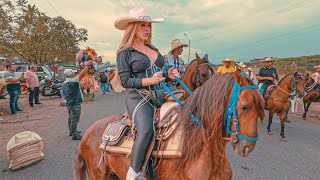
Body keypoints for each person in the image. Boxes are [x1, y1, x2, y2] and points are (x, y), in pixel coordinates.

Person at [114, 7, 179, 179]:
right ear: (132, 28)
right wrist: (148, 81)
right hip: (138, 97)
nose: (146, 29)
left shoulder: (153, 48)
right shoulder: (125, 52)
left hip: (161, 94)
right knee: (145, 130)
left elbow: (162, 75)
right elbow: (125, 81)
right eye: (142, 25)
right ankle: (133, 173)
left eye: (148, 25)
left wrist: (169, 75)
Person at [61, 61, 92, 140]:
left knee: (71, 118)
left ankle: (72, 131)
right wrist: (87, 65)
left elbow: (63, 93)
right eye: (74, 73)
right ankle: (75, 135)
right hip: (75, 104)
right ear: (71, 75)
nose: (75, 74)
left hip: (69, 103)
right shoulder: (73, 81)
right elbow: (82, 74)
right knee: (75, 119)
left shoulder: (65, 83)